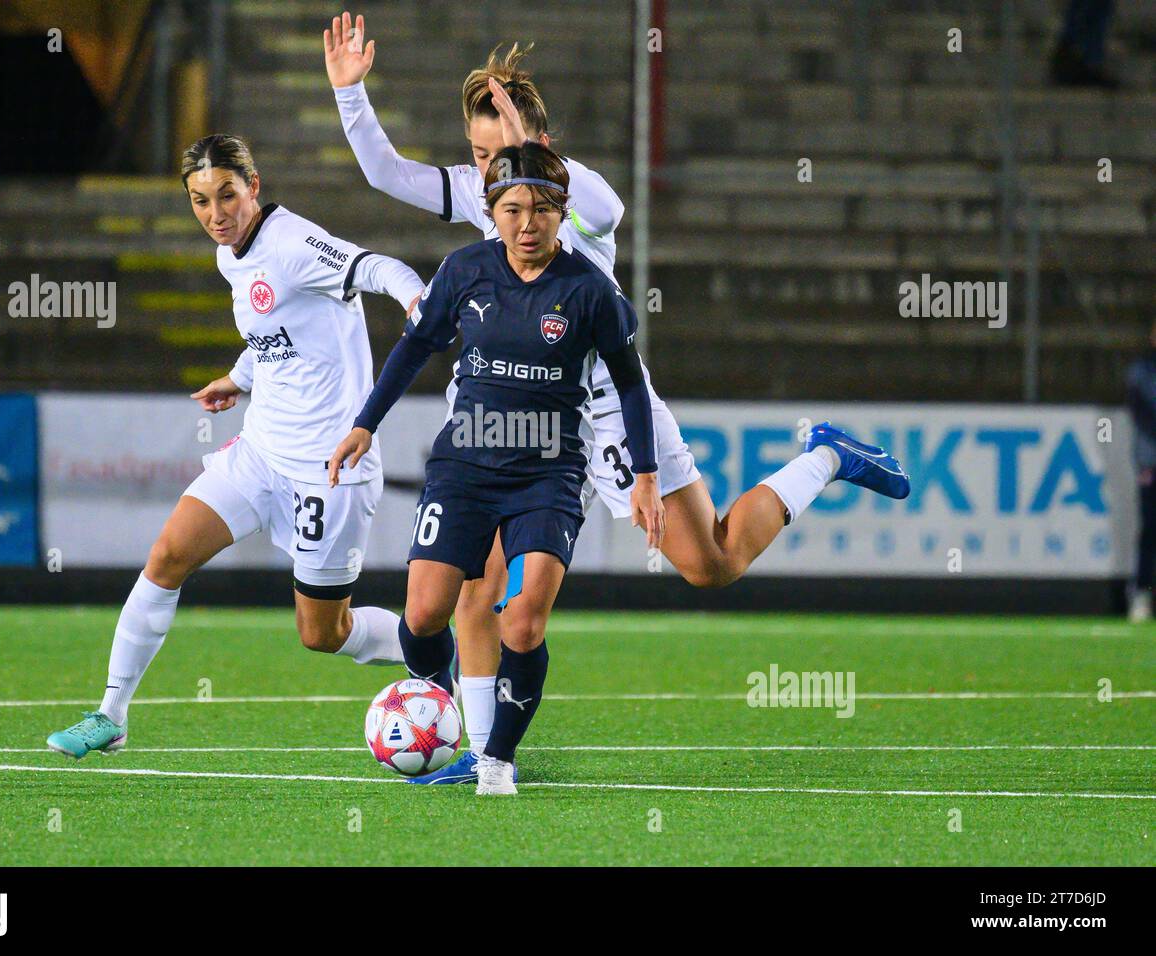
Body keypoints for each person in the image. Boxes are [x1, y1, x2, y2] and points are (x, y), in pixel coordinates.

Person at [324, 12, 912, 784]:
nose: (489, 168)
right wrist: (350, 96)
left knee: (713, 563)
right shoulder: (481, 195)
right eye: (477, 154)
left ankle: (826, 458)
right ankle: (478, 753)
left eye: (501, 149)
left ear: (539, 147)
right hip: (513, 424)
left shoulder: (577, 198)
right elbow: (386, 174)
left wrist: (532, 150)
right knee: (476, 594)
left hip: (603, 410)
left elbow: (607, 212)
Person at [46, 134, 425, 758]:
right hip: (261, 454)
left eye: (227, 195)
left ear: (254, 185)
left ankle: (449, 651)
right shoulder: (233, 255)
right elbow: (277, 329)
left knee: (323, 633)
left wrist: (416, 299)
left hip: (328, 470)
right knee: (167, 556)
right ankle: (111, 714)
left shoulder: (293, 243)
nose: (215, 214)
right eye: (200, 201)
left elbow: (378, 268)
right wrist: (240, 377)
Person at [329, 143, 664, 794]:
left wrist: (645, 473)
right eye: (512, 208)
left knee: (523, 619)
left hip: (550, 470)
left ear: (561, 214)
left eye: (541, 209)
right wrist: (364, 425)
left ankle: (498, 759)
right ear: (493, 210)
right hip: (466, 463)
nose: (527, 222)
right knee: (424, 614)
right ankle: (441, 703)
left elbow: (628, 385)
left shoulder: (590, 292)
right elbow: (414, 347)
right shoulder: (465, 272)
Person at [1125, 322, 1156, 623]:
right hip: (1151, 460)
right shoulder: (1142, 371)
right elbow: (1139, 410)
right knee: (1149, 530)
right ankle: (1142, 594)